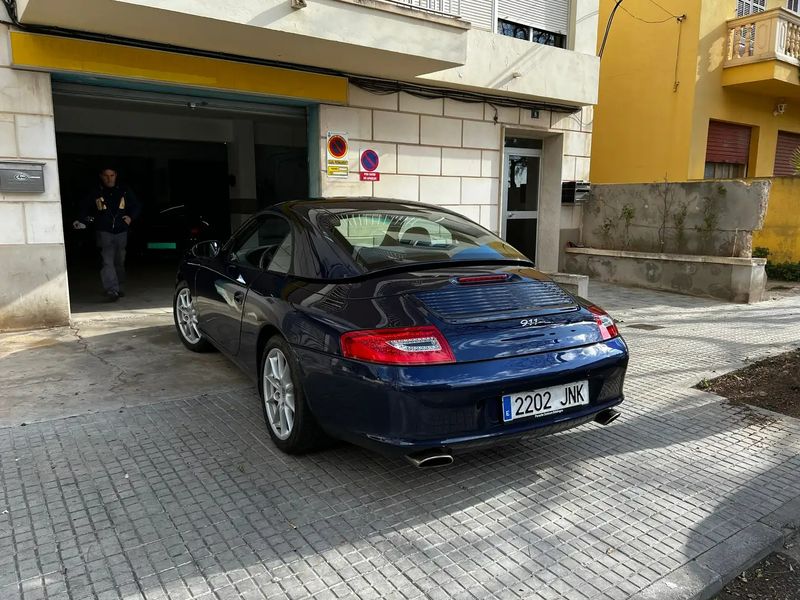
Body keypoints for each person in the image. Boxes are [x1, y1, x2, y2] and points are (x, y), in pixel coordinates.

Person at [73, 167, 141, 301]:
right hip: (103, 231)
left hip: (121, 231)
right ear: (101, 176)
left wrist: (130, 218)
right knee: (107, 261)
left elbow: (137, 205)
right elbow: (84, 207)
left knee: (119, 261)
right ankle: (112, 290)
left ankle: (119, 286)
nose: (109, 178)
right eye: (106, 175)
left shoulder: (124, 190)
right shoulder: (96, 191)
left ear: (116, 175)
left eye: (112, 175)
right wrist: (81, 220)